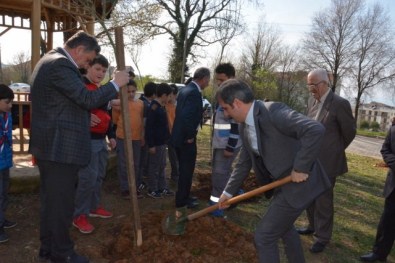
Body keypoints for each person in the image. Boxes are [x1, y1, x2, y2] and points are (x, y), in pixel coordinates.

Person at [29, 30, 129, 263]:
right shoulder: (60, 65)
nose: (88, 64)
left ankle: (49, 251)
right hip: (59, 149)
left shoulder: (50, 61)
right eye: (88, 58)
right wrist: (115, 83)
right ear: (79, 50)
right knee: (61, 206)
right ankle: (62, 253)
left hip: (53, 148)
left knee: (52, 204)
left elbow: (63, 105)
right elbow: (86, 99)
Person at [216, 79, 331, 263]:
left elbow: (314, 129)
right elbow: (244, 163)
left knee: (264, 236)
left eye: (226, 108)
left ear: (236, 103)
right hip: (282, 186)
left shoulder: (273, 111)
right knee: (285, 229)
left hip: (300, 184)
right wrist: (228, 192)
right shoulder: (244, 125)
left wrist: (301, 166)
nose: (225, 113)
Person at [296, 68, 356, 253]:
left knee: (323, 200)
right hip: (310, 160)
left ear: (324, 83)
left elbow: (349, 133)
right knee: (310, 197)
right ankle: (312, 226)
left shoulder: (340, 103)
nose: (310, 88)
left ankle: (322, 237)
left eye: (313, 84)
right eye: (308, 85)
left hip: (328, 162)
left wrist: (334, 150)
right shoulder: (310, 101)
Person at [72, 54, 115, 234]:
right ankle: (78, 215)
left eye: (104, 71)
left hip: (100, 141)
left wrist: (111, 135)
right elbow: (71, 108)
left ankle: (93, 206)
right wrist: (84, 116)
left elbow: (107, 115)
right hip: (86, 141)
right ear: (88, 67)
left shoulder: (99, 90)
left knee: (98, 176)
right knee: (87, 178)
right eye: (97, 69)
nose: (100, 73)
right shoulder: (79, 85)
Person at [169, 67, 211, 209]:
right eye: (208, 80)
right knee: (187, 170)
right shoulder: (193, 92)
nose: (208, 83)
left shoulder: (186, 89)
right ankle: (182, 200)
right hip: (185, 139)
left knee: (184, 170)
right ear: (204, 78)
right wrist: (190, 136)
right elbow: (187, 116)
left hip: (178, 136)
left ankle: (184, 195)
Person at [360, 120, 395, 262]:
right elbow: (385, 149)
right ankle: (379, 253)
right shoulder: (393, 128)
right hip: (394, 186)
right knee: (387, 222)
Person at [209, 62, 241, 217]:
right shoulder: (223, 94)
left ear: (231, 78)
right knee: (222, 172)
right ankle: (233, 194)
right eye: (218, 80)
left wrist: (230, 147)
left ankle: (218, 206)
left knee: (219, 174)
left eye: (222, 80)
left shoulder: (234, 97)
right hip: (220, 144)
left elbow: (237, 125)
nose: (219, 83)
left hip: (227, 145)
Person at [112, 80, 145, 199]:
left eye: (133, 91)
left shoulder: (141, 103)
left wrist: (142, 136)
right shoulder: (120, 103)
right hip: (122, 137)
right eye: (128, 92)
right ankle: (125, 188)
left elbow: (141, 121)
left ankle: (134, 187)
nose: (131, 94)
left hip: (136, 138)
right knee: (123, 163)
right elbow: (115, 120)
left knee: (135, 163)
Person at [145, 83, 174, 198]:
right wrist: (151, 145)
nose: (170, 98)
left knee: (162, 165)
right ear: (163, 95)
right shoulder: (154, 108)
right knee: (154, 167)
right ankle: (152, 189)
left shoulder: (161, 106)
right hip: (156, 143)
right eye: (169, 96)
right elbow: (149, 127)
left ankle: (162, 187)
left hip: (162, 142)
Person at [0, 84, 17, 244]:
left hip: (4, 162)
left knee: (4, 193)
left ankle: (2, 218)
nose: (10, 105)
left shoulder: (7, 115)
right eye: (7, 102)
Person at [137, 82, 157, 192]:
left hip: (146, 136)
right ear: (153, 94)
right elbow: (144, 122)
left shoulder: (146, 102)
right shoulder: (143, 103)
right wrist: (143, 136)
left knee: (144, 160)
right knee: (141, 160)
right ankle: (138, 181)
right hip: (142, 136)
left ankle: (140, 179)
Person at [166, 84, 179, 182]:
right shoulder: (164, 105)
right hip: (166, 134)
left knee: (175, 156)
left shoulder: (179, 107)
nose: (169, 97)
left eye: (171, 95)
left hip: (176, 135)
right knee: (171, 155)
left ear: (175, 95)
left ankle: (176, 174)